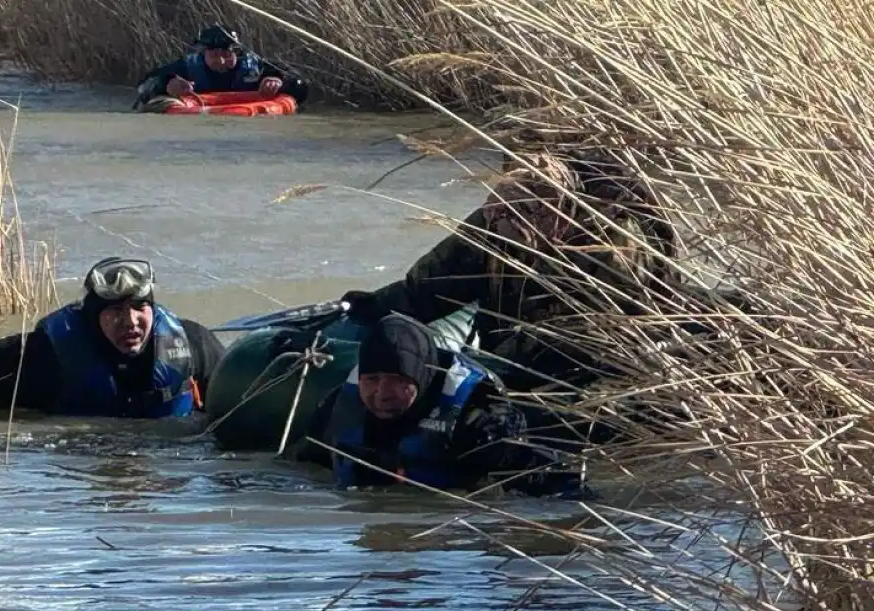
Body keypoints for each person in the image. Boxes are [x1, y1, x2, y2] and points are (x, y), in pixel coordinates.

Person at [339, 149, 748, 394]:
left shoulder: (615, 244)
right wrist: (374, 308)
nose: (511, 230)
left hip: (604, 360)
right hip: (516, 348)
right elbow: (433, 287)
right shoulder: (496, 220)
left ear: (558, 214)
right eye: (502, 217)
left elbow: (603, 334)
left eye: (527, 219)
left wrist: (501, 367)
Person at [287, 313, 590, 497]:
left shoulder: (476, 418)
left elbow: (547, 481)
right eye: (372, 379)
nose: (382, 392)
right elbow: (304, 464)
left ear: (419, 376)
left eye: (396, 379)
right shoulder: (340, 407)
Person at [0, 257, 225, 419]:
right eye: (115, 310)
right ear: (92, 317)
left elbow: (234, 408)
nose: (130, 320)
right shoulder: (40, 356)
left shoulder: (194, 344)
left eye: (140, 307)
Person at [133, 24, 310, 112]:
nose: (222, 61)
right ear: (204, 53)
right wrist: (165, 85)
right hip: (196, 111)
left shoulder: (256, 67)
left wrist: (277, 80)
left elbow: (300, 84)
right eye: (215, 54)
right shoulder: (186, 67)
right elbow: (142, 87)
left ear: (237, 52)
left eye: (227, 54)